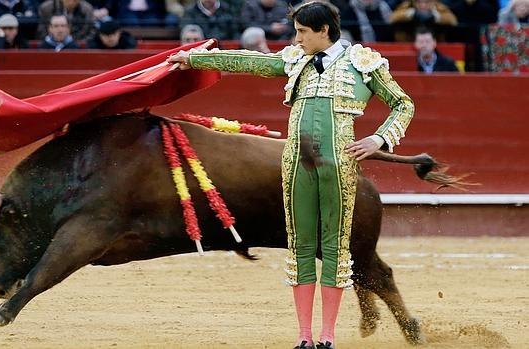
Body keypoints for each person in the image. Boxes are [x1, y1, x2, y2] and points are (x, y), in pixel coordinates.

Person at [168, 1, 414, 348]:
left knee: (334, 249)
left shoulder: (363, 63)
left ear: (324, 30)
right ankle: (304, 337)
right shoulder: (295, 59)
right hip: (296, 164)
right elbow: (248, 61)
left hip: (339, 168)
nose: (295, 39)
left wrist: (379, 138)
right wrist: (193, 59)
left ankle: (327, 336)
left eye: (301, 32)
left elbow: (403, 104)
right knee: (300, 247)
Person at [390, 0, 458, 41]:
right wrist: (408, 14)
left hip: (435, 43)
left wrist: (437, 16)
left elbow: (453, 21)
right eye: (419, 2)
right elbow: (391, 18)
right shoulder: (408, 5)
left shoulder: (438, 6)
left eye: (426, 2)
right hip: (408, 42)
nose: (423, 5)